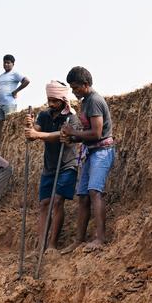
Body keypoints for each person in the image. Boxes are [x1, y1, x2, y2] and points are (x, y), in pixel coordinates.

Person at [60, 66, 115, 251]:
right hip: (91, 151)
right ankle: (79, 239)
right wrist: (72, 137)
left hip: (102, 151)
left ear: (85, 84)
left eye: (75, 88)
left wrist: (73, 132)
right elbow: (86, 134)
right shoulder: (85, 101)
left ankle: (100, 238)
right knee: (83, 195)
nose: (74, 91)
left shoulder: (94, 101)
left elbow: (97, 133)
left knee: (94, 191)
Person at [24, 81, 81, 250]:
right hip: (49, 167)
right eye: (49, 99)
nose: (51, 103)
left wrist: (37, 133)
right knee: (44, 204)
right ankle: (41, 245)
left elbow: (60, 134)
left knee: (57, 202)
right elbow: (31, 134)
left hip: (66, 165)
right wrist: (29, 126)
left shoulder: (71, 116)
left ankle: (52, 245)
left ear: (63, 99)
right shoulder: (44, 115)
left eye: (55, 100)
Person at [0, 54, 30, 146]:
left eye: (8, 63)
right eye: (4, 63)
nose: (6, 65)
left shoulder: (15, 73)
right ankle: (1, 146)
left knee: (9, 125)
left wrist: (16, 91)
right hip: (0, 104)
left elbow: (27, 81)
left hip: (9, 103)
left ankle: (10, 145)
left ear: (13, 64)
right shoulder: (1, 76)